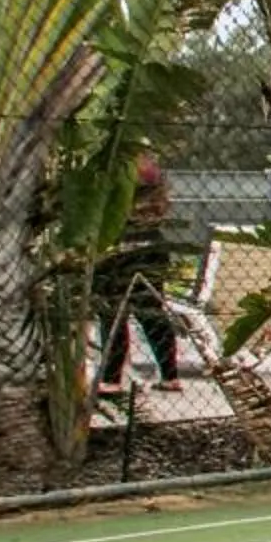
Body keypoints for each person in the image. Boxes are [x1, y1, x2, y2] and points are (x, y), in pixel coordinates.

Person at [98, 155, 182, 388]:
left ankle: (111, 379)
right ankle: (170, 376)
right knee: (151, 310)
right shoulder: (149, 167)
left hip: (120, 243)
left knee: (113, 311)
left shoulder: (118, 164)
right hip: (151, 242)